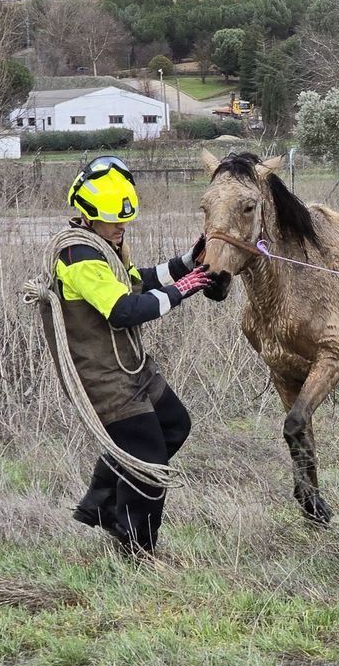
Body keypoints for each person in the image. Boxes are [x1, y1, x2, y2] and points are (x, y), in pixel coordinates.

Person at [43, 155, 214, 556]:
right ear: (87, 215)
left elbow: (136, 282)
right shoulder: (77, 257)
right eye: (113, 221)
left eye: (124, 221)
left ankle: (100, 503)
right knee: (151, 466)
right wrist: (186, 288)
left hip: (132, 367)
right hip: (105, 378)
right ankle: (138, 550)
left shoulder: (104, 245)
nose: (121, 228)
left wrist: (187, 263)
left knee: (175, 425)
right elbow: (124, 311)